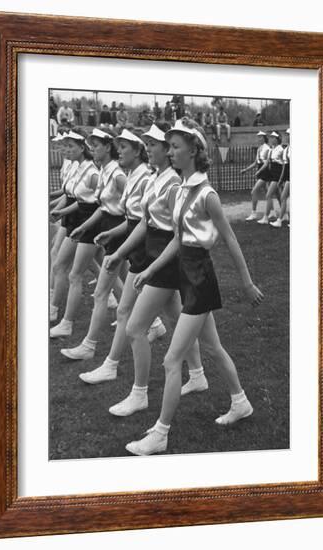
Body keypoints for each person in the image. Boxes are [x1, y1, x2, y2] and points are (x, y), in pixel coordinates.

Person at [123, 118, 264, 456]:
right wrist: (150, 269)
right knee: (213, 348)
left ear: (194, 150)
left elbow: (229, 240)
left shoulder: (207, 194)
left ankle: (160, 434)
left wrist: (246, 283)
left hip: (200, 279)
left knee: (172, 360)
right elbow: (177, 239)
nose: (169, 152)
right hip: (186, 275)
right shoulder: (183, 188)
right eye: (168, 146)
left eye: (174, 146)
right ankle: (240, 402)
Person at [92, 123, 208, 403]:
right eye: (151, 144)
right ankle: (198, 374)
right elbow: (145, 221)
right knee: (174, 318)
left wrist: (150, 264)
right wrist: (120, 252)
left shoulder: (171, 183)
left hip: (162, 258)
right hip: (153, 255)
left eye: (154, 144)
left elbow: (176, 231)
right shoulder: (157, 178)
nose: (151, 148)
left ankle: (138, 391)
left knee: (133, 323)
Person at [60, 129, 164, 360]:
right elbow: (114, 208)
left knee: (104, 292)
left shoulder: (124, 175)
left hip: (131, 235)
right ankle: (156, 327)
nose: (94, 149)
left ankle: (92, 347)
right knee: (129, 291)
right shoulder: (117, 172)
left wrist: (114, 234)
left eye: (97, 145)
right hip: (121, 231)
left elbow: (139, 216)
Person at [49, 129, 99, 337]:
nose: (65, 150)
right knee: (104, 270)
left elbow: (94, 203)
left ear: (82, 147)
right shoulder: (78, 167)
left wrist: (60, 210)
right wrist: (58, 208)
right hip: (77, 221)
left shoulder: (92, 171)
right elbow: (73, 196)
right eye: (64, 146)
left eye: (70, 146)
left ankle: (57, 314)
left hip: (87, 222)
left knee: (71, 268)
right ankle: (55, 311)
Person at [241, 131, 271, 221]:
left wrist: (259, 171)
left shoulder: (266, 148)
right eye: (258, 137)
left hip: (265, 171)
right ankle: (273, 212)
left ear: (264, 138)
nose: (259, 139)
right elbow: (255, 162)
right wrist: (246, 170)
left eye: (261, 137)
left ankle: (254, 213)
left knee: (254, 191)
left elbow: (266, 163)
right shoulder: (260, 148)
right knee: (269, 192)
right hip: (261, 170)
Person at [257, 130, 284, 224]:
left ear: (277, 139)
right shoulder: (272, 149)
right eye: (271, 137)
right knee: (279, 195)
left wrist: (282, 178)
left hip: (277, 175)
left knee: (268, 195)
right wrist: (259, 171)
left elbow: (284, 164)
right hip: (273, 175)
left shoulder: (280, 149)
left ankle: (265, 218)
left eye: (273, 137)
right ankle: (285, 214)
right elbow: (267, 163)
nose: (271, 139)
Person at [271, 128, 290, 227]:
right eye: (287, 135)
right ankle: (282, 218)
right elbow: (284, 167)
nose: (288, 136)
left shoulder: (284, 149)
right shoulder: (286, 149)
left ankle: (280, 219)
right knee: (283, 197)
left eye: (289, 135)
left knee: (283, 197)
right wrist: (281, 179)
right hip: (287, 177)